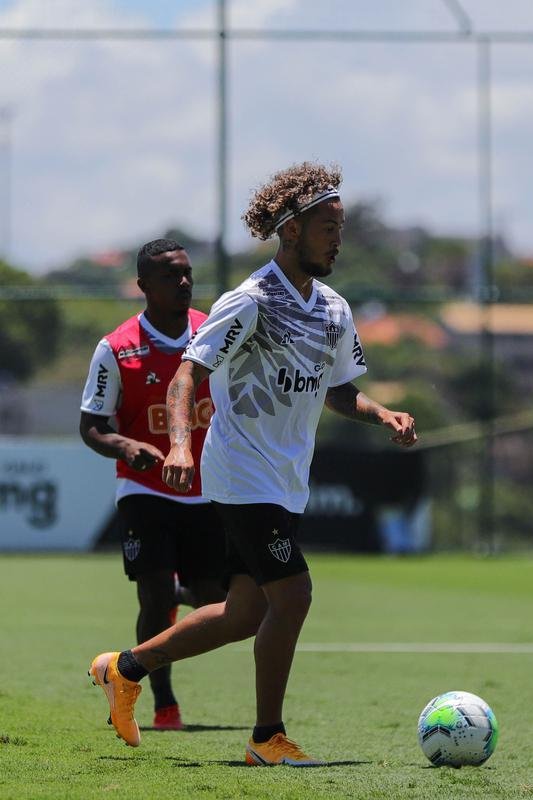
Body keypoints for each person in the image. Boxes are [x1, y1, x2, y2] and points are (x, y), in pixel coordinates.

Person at [88, 162, 418, 765]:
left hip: (286, 479)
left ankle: (124, 668)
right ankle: (267, 738)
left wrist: (383, 414)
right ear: (290, 230)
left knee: (244, 613)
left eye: (340, 227)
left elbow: (341, 391)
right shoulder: (250, 301)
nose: (336, 239)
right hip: (242, 472)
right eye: (326, 226)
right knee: (294, 596)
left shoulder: (335, 310)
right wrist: (183, 445)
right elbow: (189, 372)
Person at [80, 238, 226, 731]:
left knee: (217, 604)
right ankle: (163, 703)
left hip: (209, 490)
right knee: (155, 596)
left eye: (187, 273)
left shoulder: (214, 333)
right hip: (145, 490)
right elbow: (91, 426)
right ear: (144, 285)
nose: (183, 282)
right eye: (170, 275)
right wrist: (126, 447)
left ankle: (180, 590)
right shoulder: (116, 348)